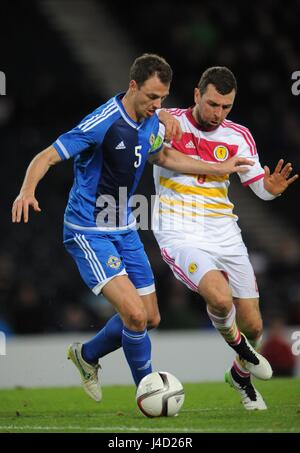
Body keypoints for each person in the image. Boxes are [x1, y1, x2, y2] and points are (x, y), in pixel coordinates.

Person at [12, 55, 255, 403]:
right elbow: (48, 155)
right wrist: (26, 190)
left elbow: (165, 158)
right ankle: (150, 392)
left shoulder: (152, 122)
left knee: (150, 317)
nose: (157, 105)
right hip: (89, 231)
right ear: (132, 87)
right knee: (135, 315)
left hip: (125, 228)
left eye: (163, 99)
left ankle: (87, 356)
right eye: (151, 98)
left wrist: (219, 168)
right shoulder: (104, 122)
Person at [152, 66, 298, 410]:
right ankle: (243, 349)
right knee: (219, 299)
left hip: (225, 233)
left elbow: (258, 186)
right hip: (179, 230)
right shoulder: (168, 121)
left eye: (226, 107)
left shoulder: (238, 136)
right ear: (197, 95)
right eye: (213, 104)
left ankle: (239, 374)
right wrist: (157, 111)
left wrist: (270, 190)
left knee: (253, 323)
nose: (218, 113)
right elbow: (138, 114)